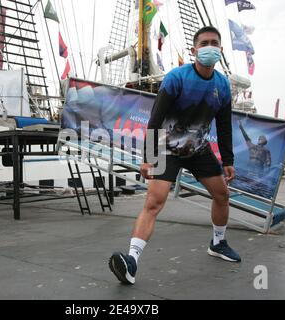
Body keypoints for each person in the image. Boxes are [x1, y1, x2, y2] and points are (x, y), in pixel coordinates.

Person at [108, 26, 241, 285]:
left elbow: (224, 126)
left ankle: (218, 242)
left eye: (214, 43)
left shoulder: (223, 86)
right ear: (194, 50)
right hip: (166, 147)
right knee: (154, 202)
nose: (209, 47)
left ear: (221, 49)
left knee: (222, 195)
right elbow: (155, 118)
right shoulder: (176, 78)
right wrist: (147, 156)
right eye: (204, 43)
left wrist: (228, 161)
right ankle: (132, 261)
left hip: (198, 148)